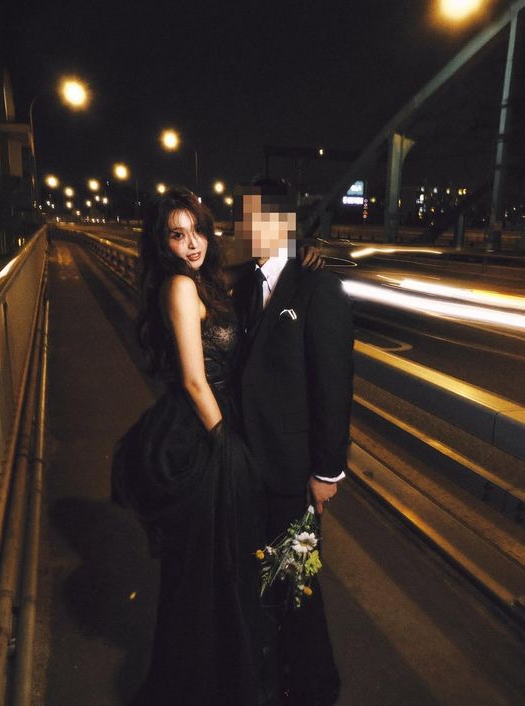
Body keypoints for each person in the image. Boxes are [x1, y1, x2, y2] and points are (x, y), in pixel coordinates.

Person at [111, 186, 322, 706]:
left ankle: (220, 676)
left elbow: (256, 272)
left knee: (220, 569)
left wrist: (299, 253)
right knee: (213, 572)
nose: (192, 244)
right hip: (206, 435)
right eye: (177, 235)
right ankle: (209, 683)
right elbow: (192, 380)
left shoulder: (206, 282)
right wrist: (227, 447)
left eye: (198, 231)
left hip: (220, 427)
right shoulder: (181, 286)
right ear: (162, 243)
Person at [232, 177, 354, 706]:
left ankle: (314, 687)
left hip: (295, 471)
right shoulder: (244, 286)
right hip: (247, 466)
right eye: (243, 218)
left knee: (299, 582)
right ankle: (277, 675)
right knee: (265, 578)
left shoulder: (318, 288)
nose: (245, 228)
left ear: (283, 223)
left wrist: (327, 472)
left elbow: (333, 384)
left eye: (256, 217)